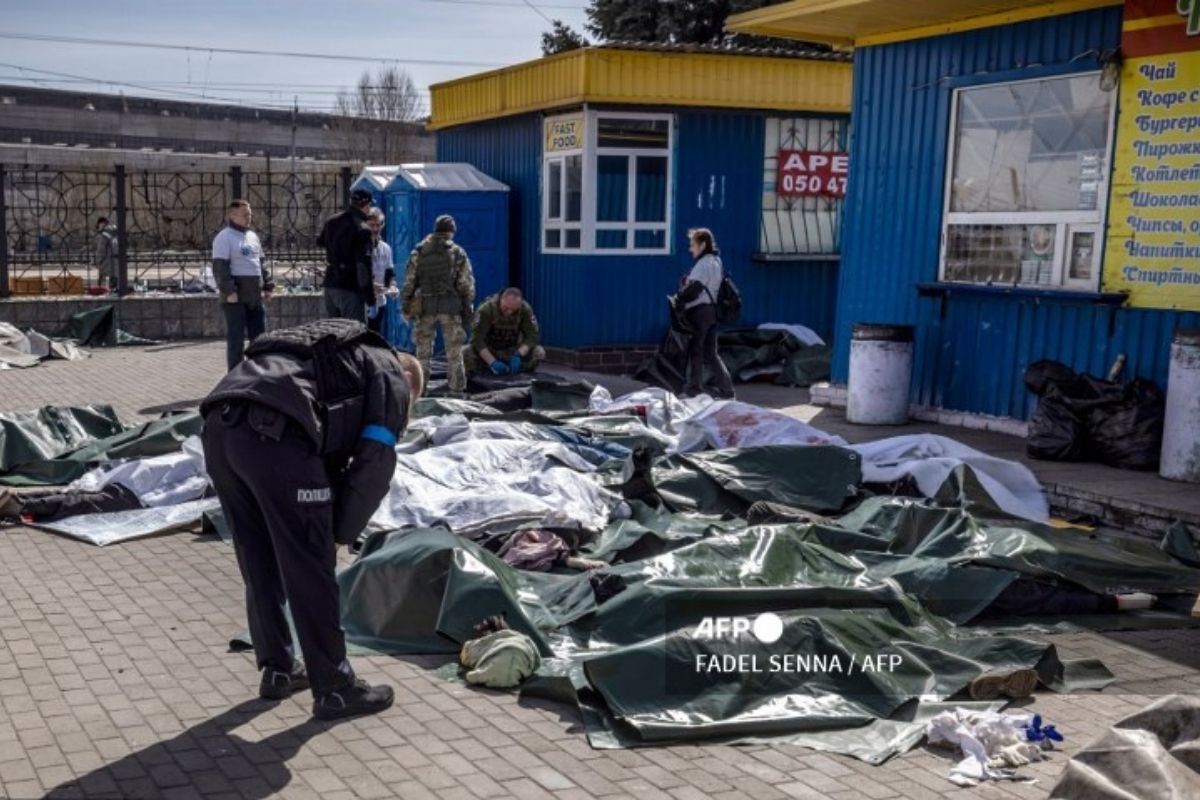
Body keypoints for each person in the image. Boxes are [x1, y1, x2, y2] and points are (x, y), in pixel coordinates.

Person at [199, 319, 424, 720]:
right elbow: (374, 464)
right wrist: (336, 532)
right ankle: (335, 688)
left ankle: (277, 669)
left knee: (258, 554)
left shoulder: (333, 350)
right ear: (407, 377)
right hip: (277, 436)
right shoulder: (390, 374)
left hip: (220, 426)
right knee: (310, 565)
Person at [0, 437, 210, 522]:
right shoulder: (203, 475)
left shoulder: (186, 457)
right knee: (77, 503)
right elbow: (178, 492)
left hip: (123, 479)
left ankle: (19, 497)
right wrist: (149, 503)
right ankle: (20, 505)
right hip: (135, 494)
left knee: (72, 494)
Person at [401, 215, 475, 395]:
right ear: (451, 232)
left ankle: (420, 390)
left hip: (425, 307)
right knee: (454, 352)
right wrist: (467, 306)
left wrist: (406, 305)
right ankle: (456, 391)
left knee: (423, 353)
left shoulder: (419, 251)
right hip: (450, 308)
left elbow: (410, 282)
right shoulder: (457, 252)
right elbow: (466, 284)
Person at [212, 201, 274, 371]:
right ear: (233, 215)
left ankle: (259, 373)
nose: (249, 218)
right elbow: (220, 267)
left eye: (250, 214)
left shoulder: (252, 236)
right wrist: (229, 290)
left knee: (260, 339)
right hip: (235, 297)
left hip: (255, 295)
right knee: (236, 339)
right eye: (245, 214)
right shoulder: (224, 237)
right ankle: (235, 377)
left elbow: (261, 264)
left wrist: (268, 286)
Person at [676, 228, 734, 400]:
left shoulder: (704, 264)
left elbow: (695, 289)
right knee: (710, 353)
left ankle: (694, 389)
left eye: (693, 245)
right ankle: (727, 391)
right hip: (712, 311)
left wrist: (679, 297)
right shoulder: (716, 261)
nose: (690, 249)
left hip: (700, 312)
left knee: (696, 351)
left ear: (703, 245)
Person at [317, 189, 375, 322]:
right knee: (354, 336)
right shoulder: (362, 229)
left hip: (330, 285)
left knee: (334, 334)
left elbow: (320, 242)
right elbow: (363, 267)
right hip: (350, 288)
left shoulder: (332, 221)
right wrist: (370, 299)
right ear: (366, 205)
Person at [464, 287, 545, 376]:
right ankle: (483, 372)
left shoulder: (525, 309)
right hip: (490, 350)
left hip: (512, 351)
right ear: (501, 299)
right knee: (465, 352)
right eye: (506, 308)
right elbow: (477, 339)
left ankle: (516, 371)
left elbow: (532, 335)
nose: (509, 312)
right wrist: (492, 361)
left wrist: (519, 354)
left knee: (539, 352)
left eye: (514, 310)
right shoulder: (486, 310)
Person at [365, 208, 395, 334]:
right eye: (372, 225)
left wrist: (392, 287)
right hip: (363, 303)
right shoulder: (359, 246)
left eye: (378, 225)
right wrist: (371, 285)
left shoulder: (386, 248)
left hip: (379, 301)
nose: (375, 229)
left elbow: (389, 271)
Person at [93, 216, 119, 292]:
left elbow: (101, 251)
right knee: (114, 288)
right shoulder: (115, 233)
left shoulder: (104, 236)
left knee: (102, 288)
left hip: (106, 263)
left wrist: (97, 262)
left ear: (102, 224)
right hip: (116, 264)